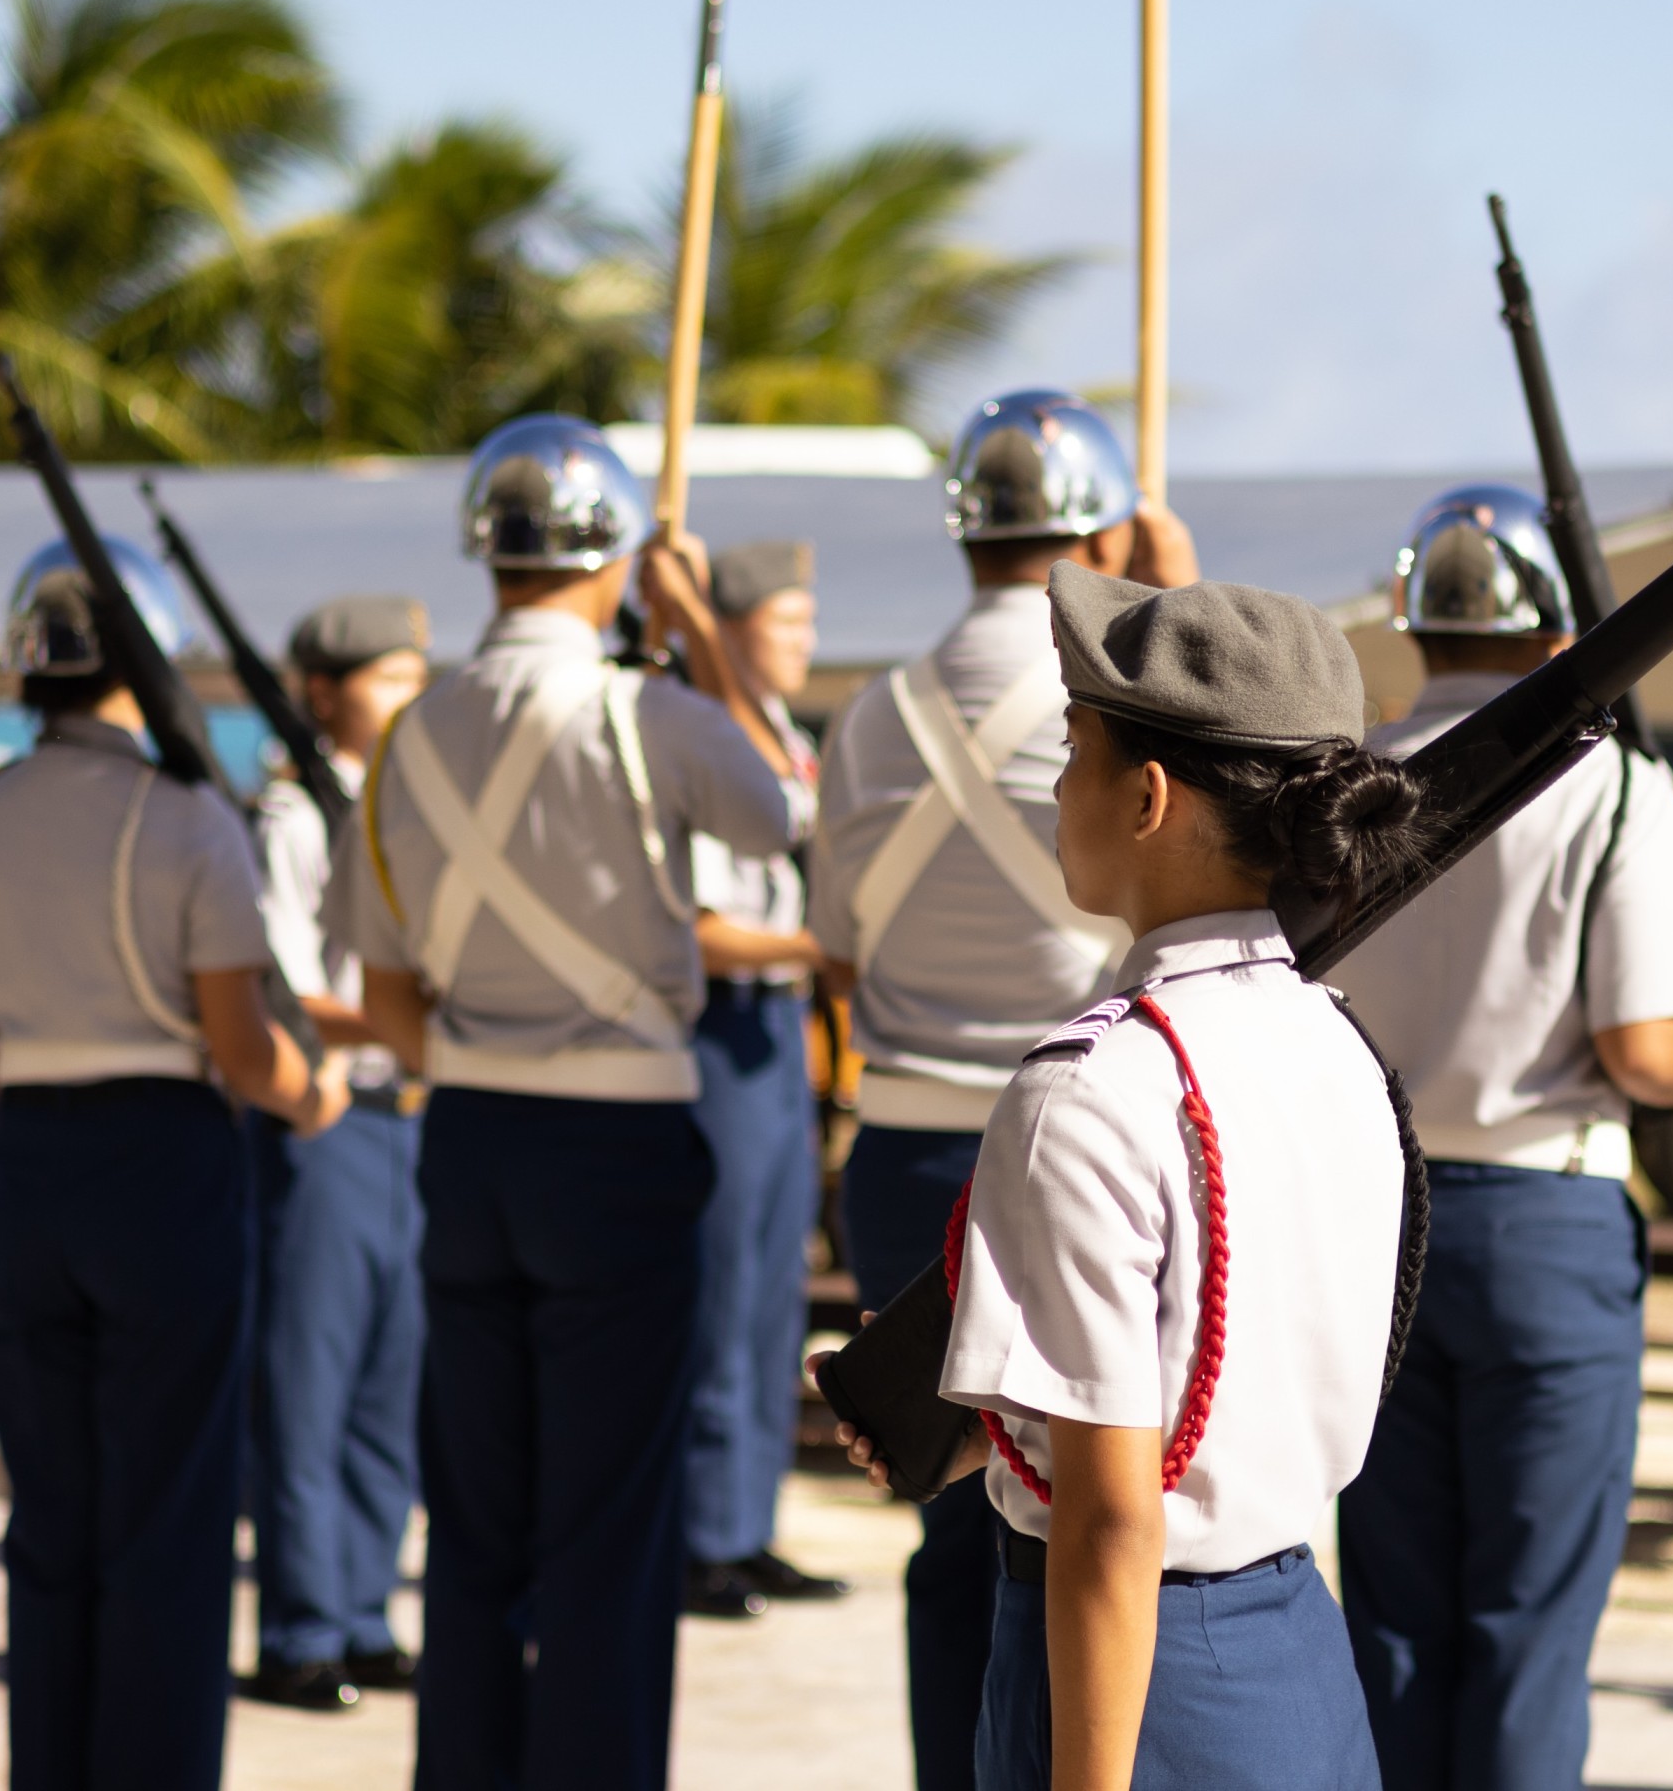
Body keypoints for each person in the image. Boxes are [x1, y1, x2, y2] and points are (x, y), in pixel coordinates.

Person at [836, 564, 1423, 1788]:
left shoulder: (1092, 1086)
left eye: (1074, 750)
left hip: (1130, 1682)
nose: (1059, 791)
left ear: (1147, 796)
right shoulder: (1341, 1040)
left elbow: (1110, 1524)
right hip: (1297, 1652)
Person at [336, 415, 798, 1790]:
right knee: (610, 1522)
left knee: (476, 1519)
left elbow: (382, 986)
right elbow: (777, 810)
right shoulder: (649, 709)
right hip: (621, 1136)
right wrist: (698, 622)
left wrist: (486, 1067)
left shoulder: (411, 732)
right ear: (617, 557)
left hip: (470, 1134)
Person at [807, 389, 1196, 1791]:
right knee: (1082, 1508)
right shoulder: (1123, 710)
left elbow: (839, 943)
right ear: (1099, 530)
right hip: (1083, 1139)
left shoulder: (868, 715)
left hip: (908, 1143)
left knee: (944, 1515)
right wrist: (1181, 609)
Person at [1327, 484, 1673, 1791]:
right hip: (1544, 1218)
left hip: (1374, 1216)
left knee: (1393, 1617)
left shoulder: (1345, 783)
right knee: (1528, 1630)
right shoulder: (1613, 784)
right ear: (1557, 631)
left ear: (1413, 623)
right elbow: (1649, 1049)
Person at [0, 538, 345, 1791]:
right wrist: (314, 1093)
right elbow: (236, 1044)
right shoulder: (185, 818)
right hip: (159, 1159)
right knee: (166, 1518)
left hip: (31, 1164)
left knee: (52, 1519)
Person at [240, 593, 433, 1713]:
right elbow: (284, 987)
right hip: (328, 1115)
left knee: (387, 1384)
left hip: (405, 1117)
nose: (406, 696)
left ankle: (363, 1613)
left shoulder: (405, 805)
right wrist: (411, 1018)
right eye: (384, 677)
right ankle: (301, 1628)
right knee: (309, 1383)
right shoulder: (294, 819)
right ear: (323, 692)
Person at [681, 538, 849, 1620]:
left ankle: (750, 1524)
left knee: (772, 1294)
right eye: (785, 624)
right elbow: (702, 931)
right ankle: (704, 1533)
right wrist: (819, 948)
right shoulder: (700, 738)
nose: (805, 643)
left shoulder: (784, 739)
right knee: (722, 1290)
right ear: (730, 629)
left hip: (781, 1034)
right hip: (725, 1028)